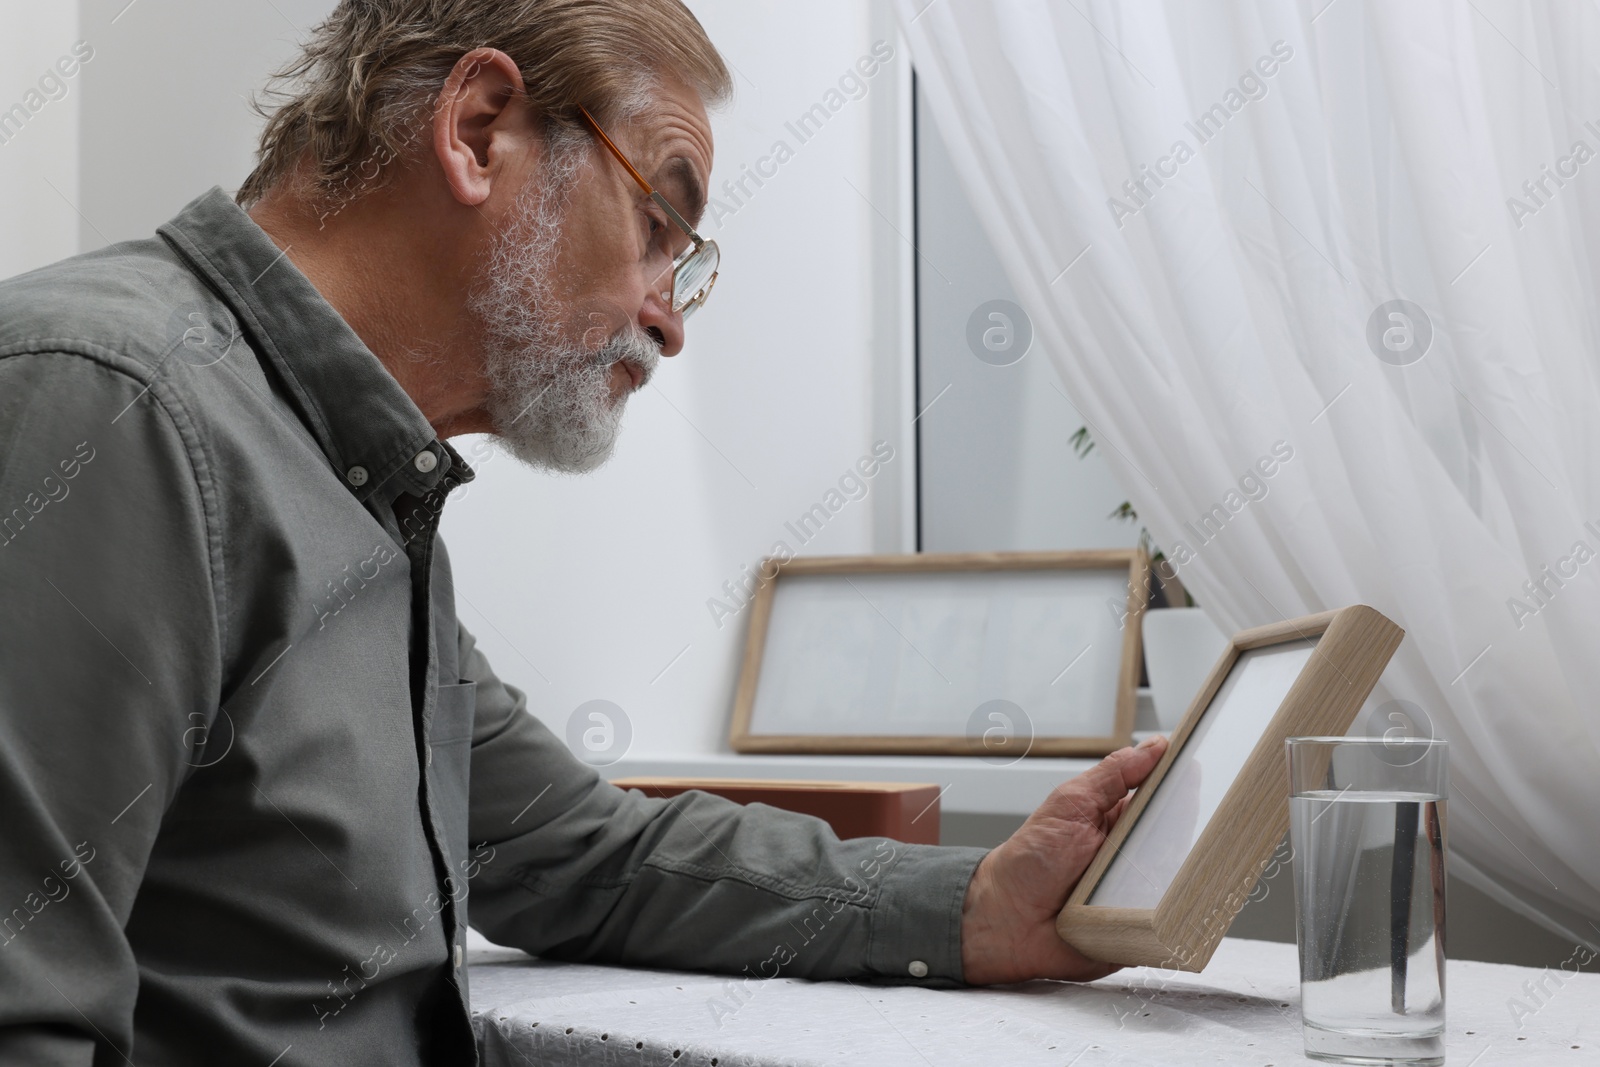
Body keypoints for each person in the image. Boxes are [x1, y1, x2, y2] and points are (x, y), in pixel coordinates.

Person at [0, 1, 1168, 1062]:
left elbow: (583, 857)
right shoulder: (112, 406)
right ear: (478, 128)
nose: (668, 322)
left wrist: (983, 902)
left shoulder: (358, 491)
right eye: (660, 220)